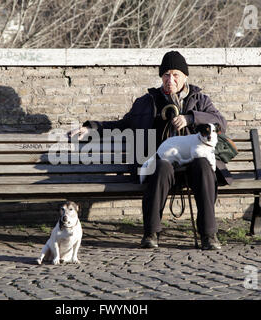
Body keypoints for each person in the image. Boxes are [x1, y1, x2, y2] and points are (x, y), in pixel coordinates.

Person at [70, 51, 232, 250]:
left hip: (192, 164)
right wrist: (92, 127)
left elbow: (221, 122)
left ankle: (209, 235)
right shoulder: (148, 101)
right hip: (163, 166)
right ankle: (151, 233)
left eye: (175, 75)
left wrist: (191, 118)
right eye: (166, 75)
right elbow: (123, 124)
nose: (170, 79)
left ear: (185, 77)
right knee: (160, 166)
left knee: (204, 165)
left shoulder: (200, 99)